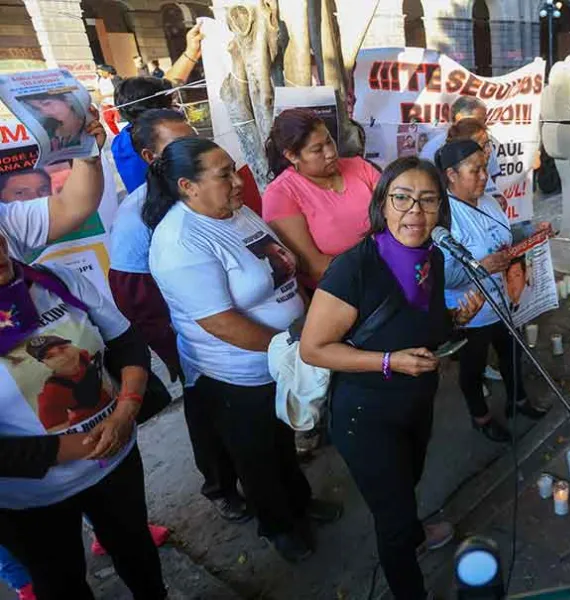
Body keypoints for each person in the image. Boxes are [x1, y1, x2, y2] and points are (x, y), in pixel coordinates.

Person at [144, 137, 341, 563]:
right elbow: (218, 322)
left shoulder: (237, 212)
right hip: (236, 374)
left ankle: (300, 501)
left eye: (234, 170)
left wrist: (304, 327)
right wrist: (294, 344)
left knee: (281, 439)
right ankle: (279, 526)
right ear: (187, 186)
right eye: (224, 175)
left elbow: (280, 271)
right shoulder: (180, 242)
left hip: (283, 357)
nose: (238, 182)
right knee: (256, 456)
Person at [298, 157, 483, 598]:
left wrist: (456, 319)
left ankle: (414, 534)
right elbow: (314, 348)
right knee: (393, 517)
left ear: (441, 209)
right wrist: (388, 362)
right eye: (401, 198)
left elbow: (421, 324)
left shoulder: (433, 257)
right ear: (382, 204)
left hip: (416, 403)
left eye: (427, 200)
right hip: (366, 413)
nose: (414, 212)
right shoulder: (353, 268)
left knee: (408, 481)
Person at [0, 216, 163, 598]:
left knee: (137, 553)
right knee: (61, 584)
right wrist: (80, 446)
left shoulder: (53, 280)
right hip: (32, 499)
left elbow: (125, 342)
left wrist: (126, 409)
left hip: (116, 460)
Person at [107, 109, 249, 522]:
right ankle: (222, 486)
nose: (194, 149)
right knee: (205, 404)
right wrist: (181, 340)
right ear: (153, 158)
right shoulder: (137, 216)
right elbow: (134, 294)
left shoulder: (218, 193)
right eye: (177, 144)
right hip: (184, 328)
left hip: (229, 318)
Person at [437, 139, 547, 443]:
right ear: (451, 174)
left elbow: (505, 237)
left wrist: (532, 233)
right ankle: (481, 417)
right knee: (472, 367)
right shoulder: (444, 216)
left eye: (485, 167)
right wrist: (482, 266)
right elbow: (444, 277)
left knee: (512, 353)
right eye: (475, 170)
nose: (484, 176)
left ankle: (518, 399)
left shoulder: (487, 200)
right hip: (469, 309)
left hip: (503, 300)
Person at [262, 109, 380, 284]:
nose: (331, 152)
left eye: (329, 141)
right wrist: (381, 269)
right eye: (317, 150)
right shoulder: (281, 194)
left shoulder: (360, 167)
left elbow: (397, 217)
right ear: (292, 156)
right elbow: (315, 267)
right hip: (340, 289)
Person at [110, 23, 204, 192]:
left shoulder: (122, 139)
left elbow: (170, 84)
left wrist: (192, 51)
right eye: (170, 101)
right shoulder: (162, 140)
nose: (174, 103)